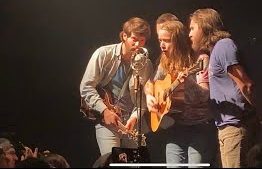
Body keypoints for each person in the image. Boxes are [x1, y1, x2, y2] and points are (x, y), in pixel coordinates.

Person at [189, 8, 260, 168]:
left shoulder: (223, 46)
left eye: (192, 28)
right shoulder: (215, 52)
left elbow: (246, 84)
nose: (189, 34)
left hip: (235, 127)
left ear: (204, 26)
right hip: (226, 129)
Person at [145, 20, 217, 167]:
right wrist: (149, 97)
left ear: (178, 41)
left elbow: (204, 94)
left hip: (200, 126)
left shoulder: (200, 59)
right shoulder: (165, 60)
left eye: (167, 41)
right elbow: (150, 83)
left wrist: (187, 80)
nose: (162, 45)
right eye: (160, 40)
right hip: (176, 125)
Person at [80, 17, 154, 156]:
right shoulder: (103, 54)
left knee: (134, 165)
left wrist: (135, 117)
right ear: (124, 36)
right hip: (107, 120)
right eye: (134, 39)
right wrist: (104, 111)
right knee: (111, 162)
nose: (138, 44)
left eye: (142, 40)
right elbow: (86, 86)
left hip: (132, 124)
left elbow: (143, 98)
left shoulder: (146, 64)